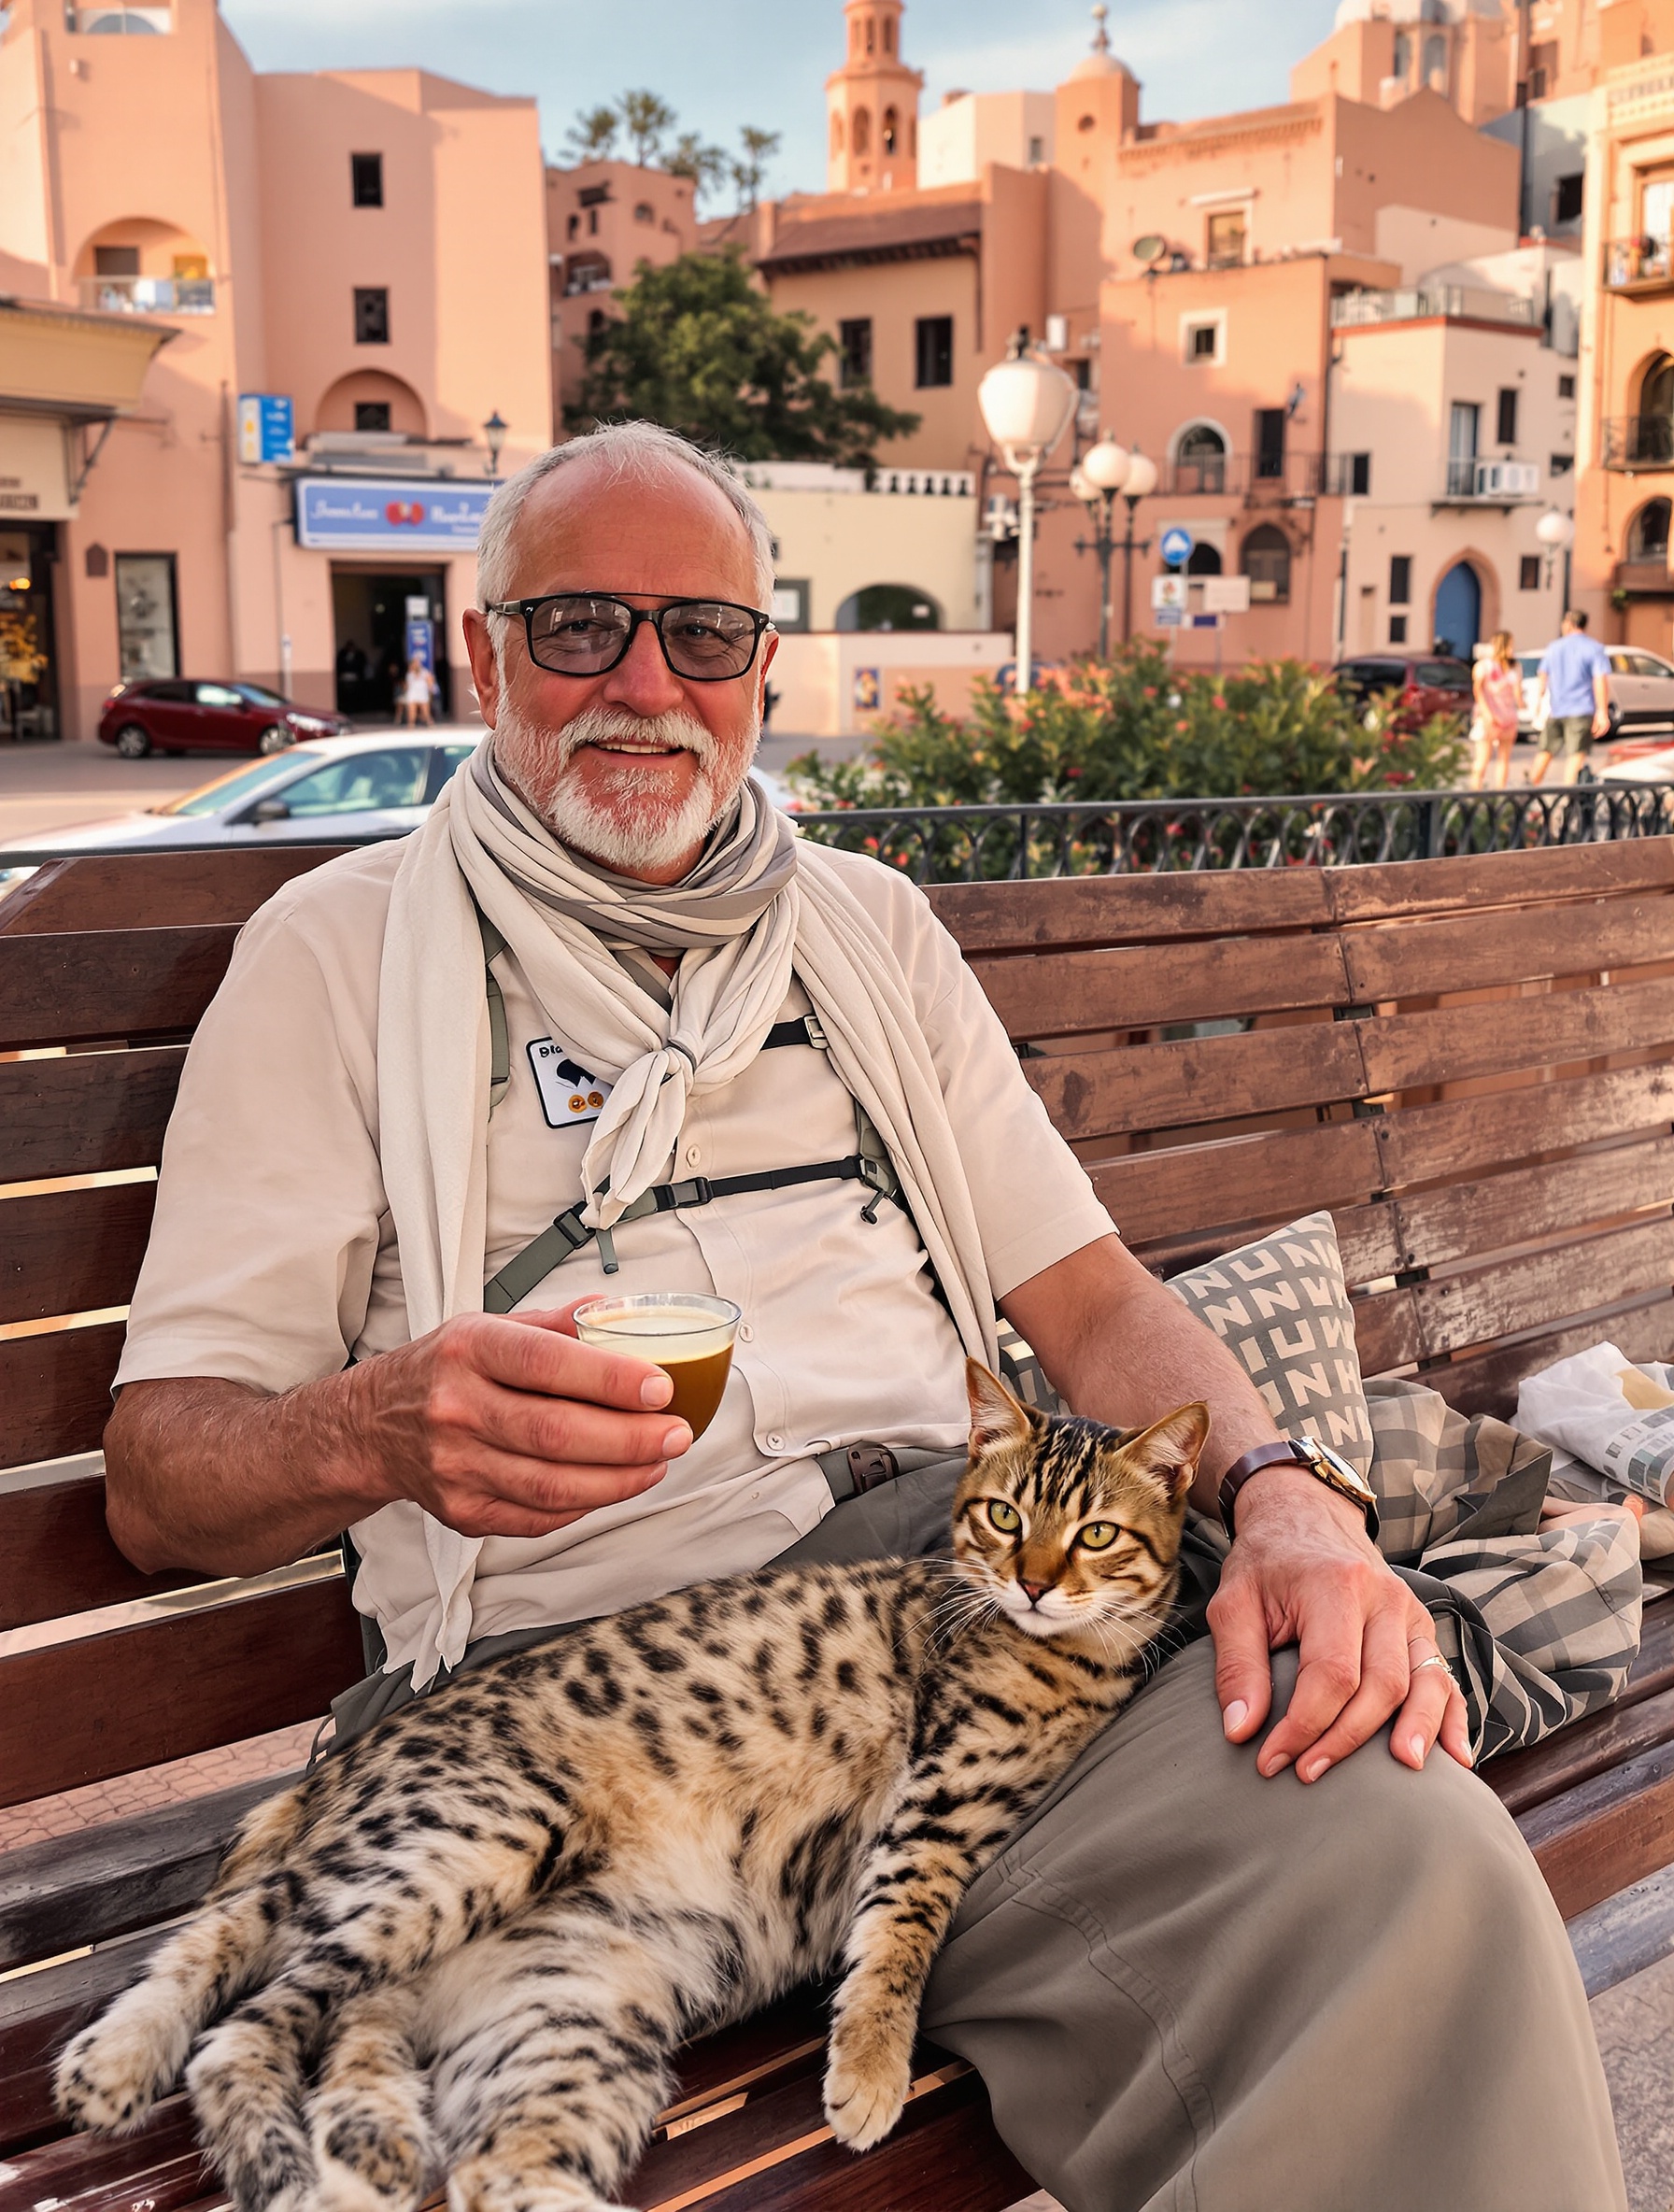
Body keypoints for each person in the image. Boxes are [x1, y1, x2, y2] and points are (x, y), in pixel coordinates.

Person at [100, 424, 1625, 2212]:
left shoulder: (866, 932)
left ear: (763, 668)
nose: (647, 686)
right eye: (584, 626)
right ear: (489, 647)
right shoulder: (335, 955)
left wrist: (1287, 1494)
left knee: (1403, 1838)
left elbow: (1094, 1297)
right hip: (622, 1706)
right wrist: (369, 1430)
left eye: (706, 635)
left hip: (961, 1614)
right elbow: (158, 1476)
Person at [1530, 607, 1611, 786]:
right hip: (1580, 709)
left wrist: (1538, 702)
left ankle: (1528, 795)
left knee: (1545, 751)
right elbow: (1600, 680)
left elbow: (1543, 675)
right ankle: (1568, 800)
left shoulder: (1554, 647)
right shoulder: (1594, 648)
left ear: (1569, 624)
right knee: (1575, 755)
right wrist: (1602, 712)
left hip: (1557, 708)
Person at [1468, 629, 1523, 790]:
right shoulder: (1484, 666)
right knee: (1482, 759)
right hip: (1489, 716)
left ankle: (1500, 794)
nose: (1512, 649)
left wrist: (1522, 702)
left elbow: (1517, 693)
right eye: (1510, 646)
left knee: (1504, 759)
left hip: (1508, 715)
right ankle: (1474, 794)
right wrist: (1486, 713)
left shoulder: (1515, 667)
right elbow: (1477, 690)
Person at [396, 653, 437, 728]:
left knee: (425, 712)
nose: (416, 665)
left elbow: (430, 683)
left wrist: (431, 691)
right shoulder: (409, 674)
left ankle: (430, 723)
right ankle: (411, 725)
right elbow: (407, 686)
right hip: (412, 694)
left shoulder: (425, 672)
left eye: (417, 663)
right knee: (412, 712)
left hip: (422, 694)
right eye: (414, 663)